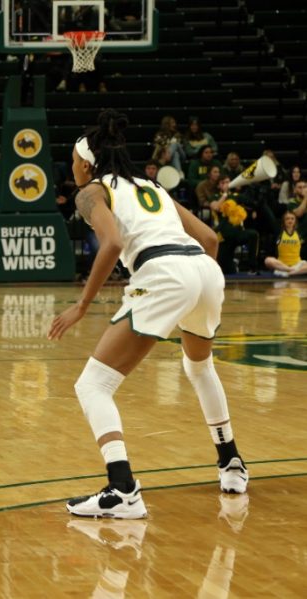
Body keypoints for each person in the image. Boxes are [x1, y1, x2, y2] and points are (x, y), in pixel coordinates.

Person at [48, 109, 248, 519]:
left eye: (73, 162)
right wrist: (193, 288)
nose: (72, 168)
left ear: (86, 164)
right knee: (199, 368)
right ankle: (231, 462)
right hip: (203, 270)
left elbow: (112, 243)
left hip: (165, 272)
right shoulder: (152, 186)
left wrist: (82, 306)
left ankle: (122, 489)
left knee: (93, 385)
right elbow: (209, 238)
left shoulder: (91, 192)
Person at [265, 211, 307, 277]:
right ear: (284, 221)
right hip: (282, 265)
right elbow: (270, 216)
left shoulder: (299, 233)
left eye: (292, 218)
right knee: (268, 260)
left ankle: (289, 273)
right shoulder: (279, 232)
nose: (290, 220)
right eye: (287, 219)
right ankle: (292, 270)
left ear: (295, 221)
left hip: (297, 265)